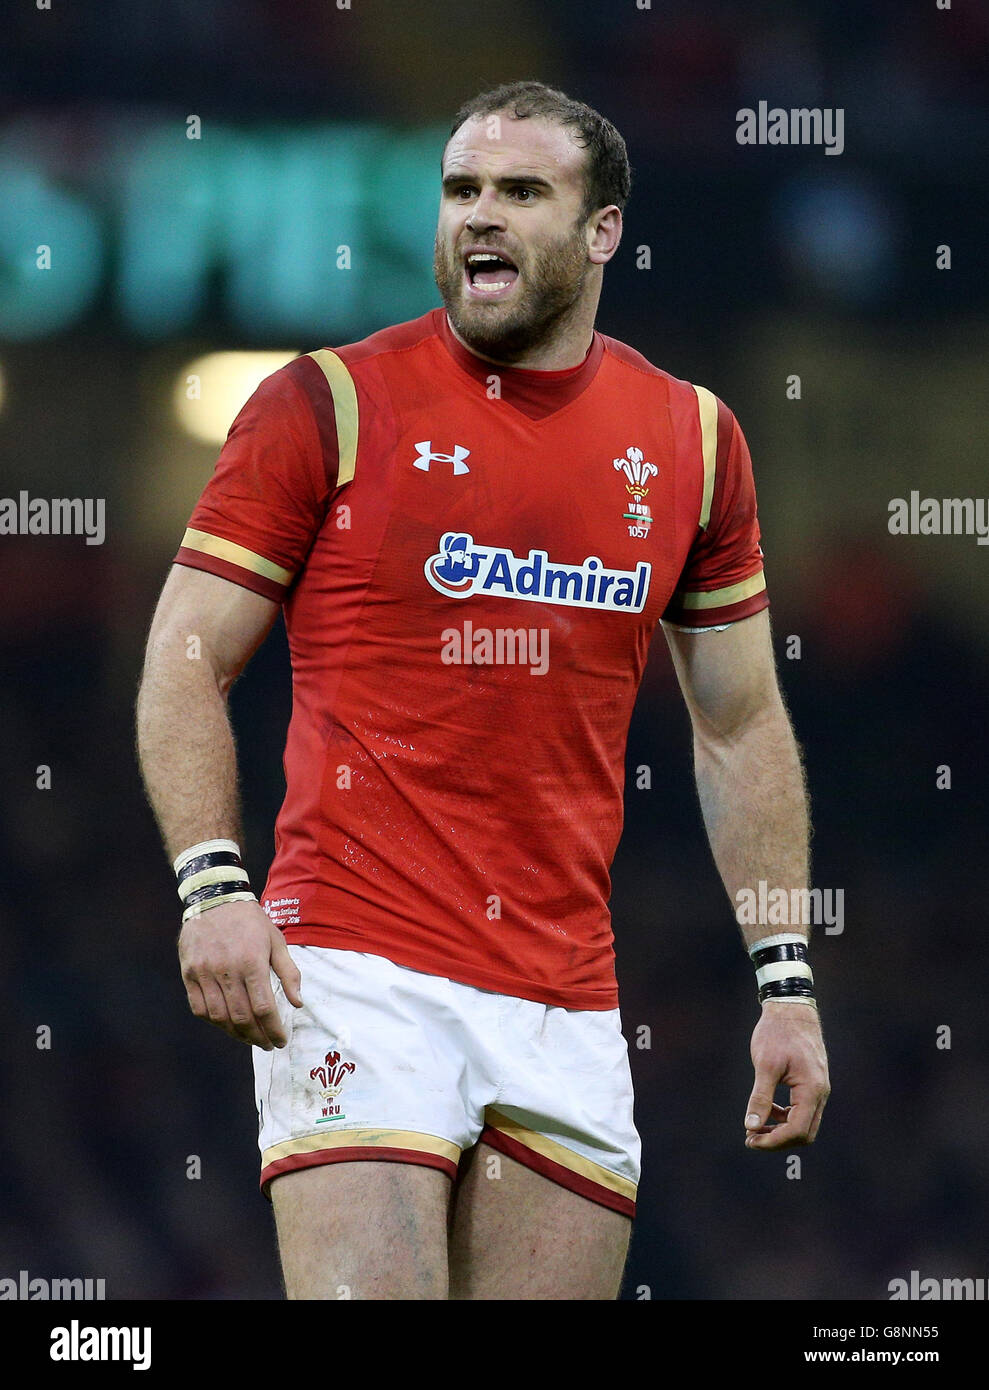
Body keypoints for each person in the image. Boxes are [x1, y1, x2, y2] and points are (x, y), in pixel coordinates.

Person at [136, 80, 830, 1301]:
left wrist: (785, 983)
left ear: (603, 229)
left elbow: (736, 723)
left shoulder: (695, 440)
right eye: (461, 190)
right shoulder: (326, 402)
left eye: (520, 192)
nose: (480, 217)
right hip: (355, 968)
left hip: (563, 1000)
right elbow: (184, 654)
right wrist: (210, 885)